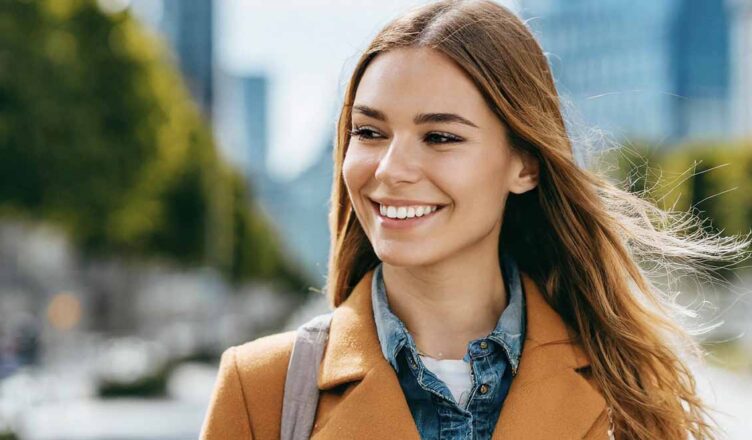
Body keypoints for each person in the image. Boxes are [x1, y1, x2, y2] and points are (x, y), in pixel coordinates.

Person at [200, 1, 749, 439]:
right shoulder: (262, 390)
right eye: (369, 132)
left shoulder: (628, 392)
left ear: (525, 164)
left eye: (440, 137)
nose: (390, 170)